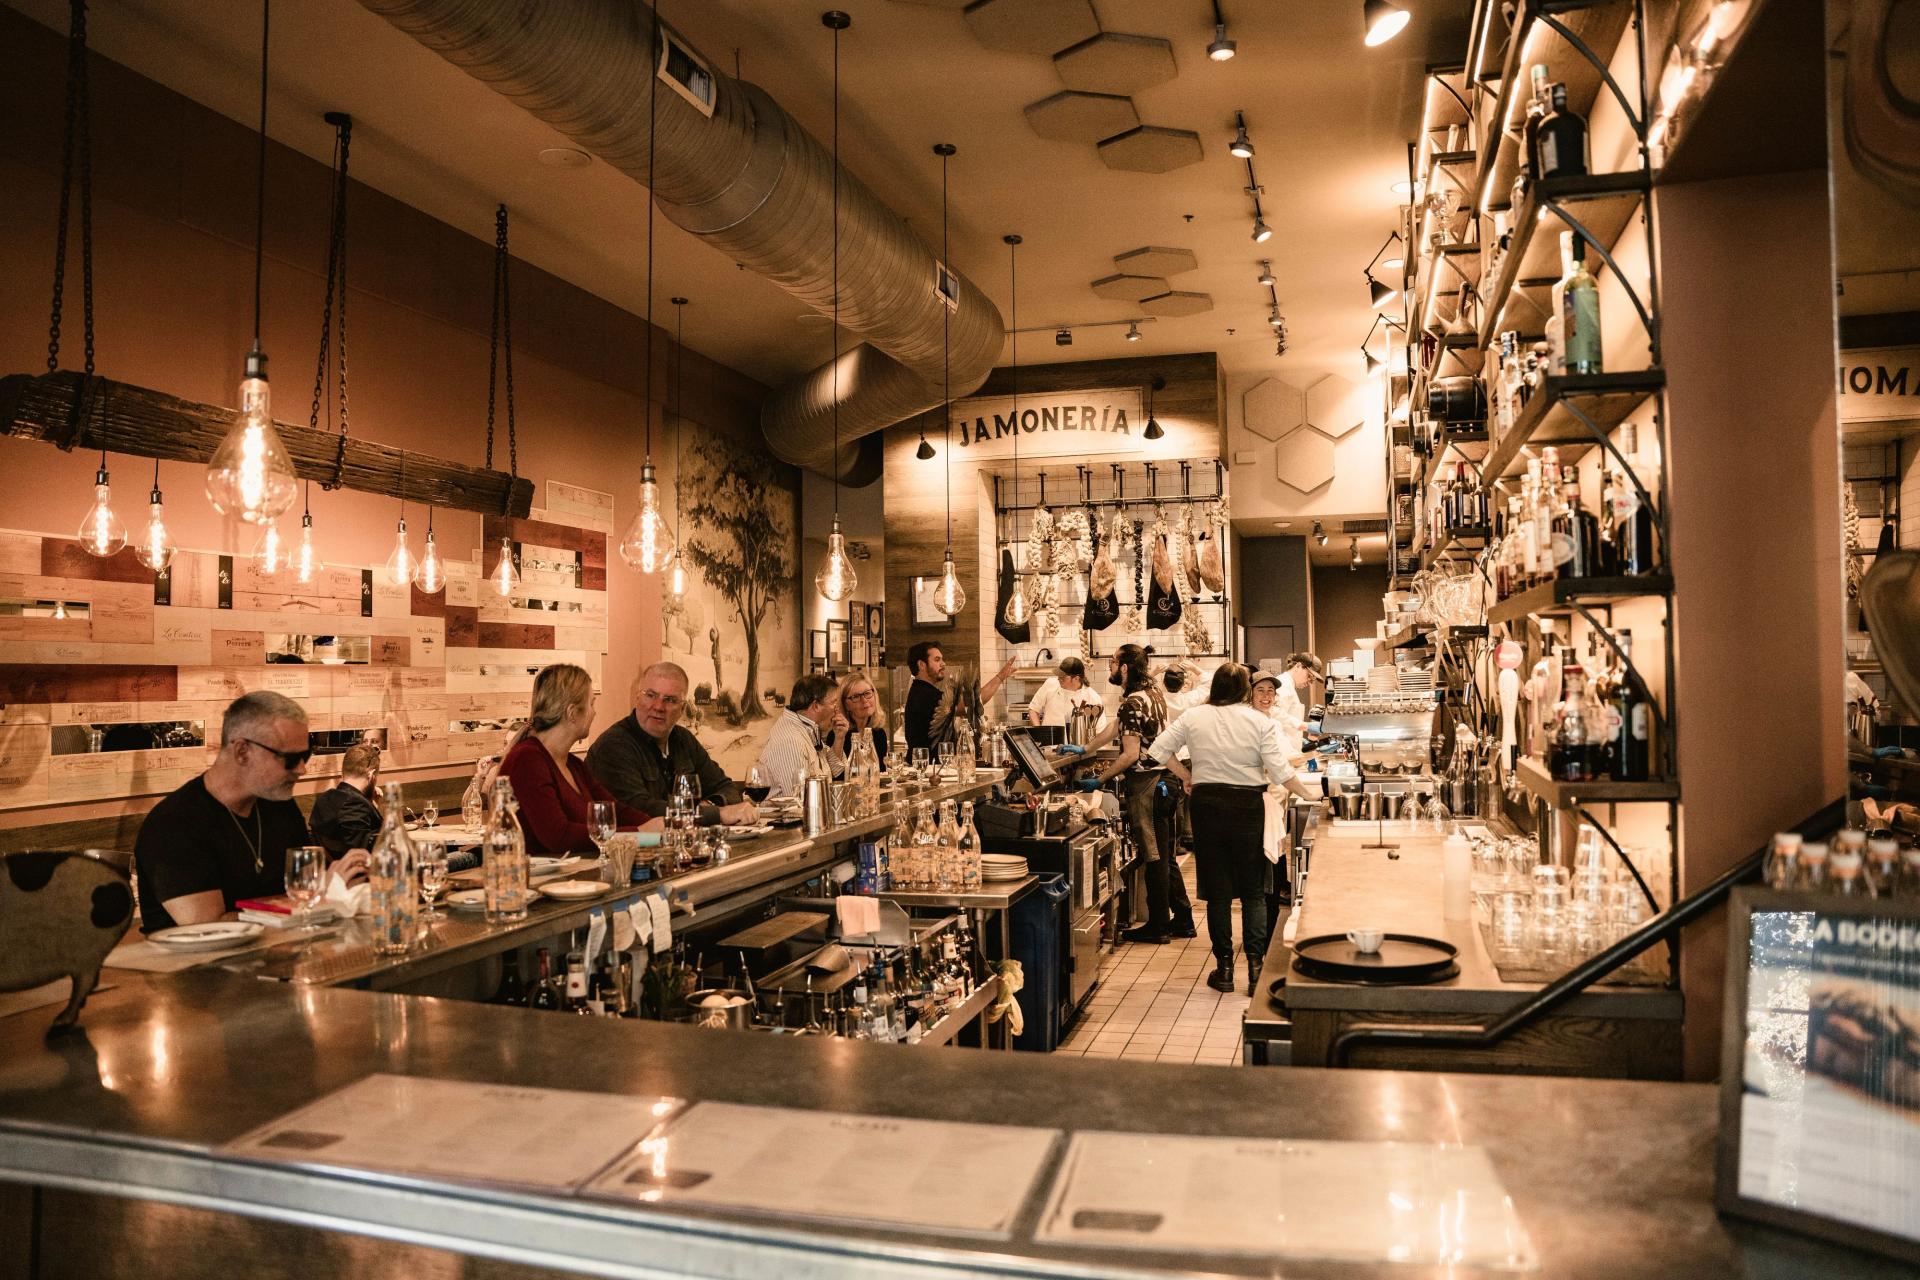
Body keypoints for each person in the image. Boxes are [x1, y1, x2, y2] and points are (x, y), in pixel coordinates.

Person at [1149, 663, 1323, 995]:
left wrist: (1187, 777)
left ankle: (1224, 969)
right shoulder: (1259, 721)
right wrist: (1311, 795)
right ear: (1245, 690)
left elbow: (1158, 750)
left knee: (1218, 892)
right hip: (1248, 806)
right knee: (1254, 891)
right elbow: (1281, 771)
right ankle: (1256, 969)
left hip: (1207, 804)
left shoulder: (1193, 717)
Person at [133, 691, 368, 932]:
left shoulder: (278, 805)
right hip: (193, 966)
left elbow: (306, 886)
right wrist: (321, 895)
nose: (302, 769)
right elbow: (209, 928)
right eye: (290, 758)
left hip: (278, 958)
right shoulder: (174, 824)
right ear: (242, 751)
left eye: (305, 755)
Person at [1081, 644, 1195, 944]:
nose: (1110, 668)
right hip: (1167, 781)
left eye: (1113, 663)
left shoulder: (1134, 701)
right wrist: (1085, 748)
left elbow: (1130, 754)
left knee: (1154, 856)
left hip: (1149, 785)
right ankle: (1183, 919)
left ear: (1125, 668)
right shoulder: (1151, 693)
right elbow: (1116, 727)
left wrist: (1100, 779)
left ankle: (1158, 927)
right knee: (1166, 854)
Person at [499, 664, 652, 856]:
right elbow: (558, 836)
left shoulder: (573, 764)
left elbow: (616, 811)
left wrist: (660, 825)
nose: (594, 712)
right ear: (572, 713)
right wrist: (640, 833)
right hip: (533, 881)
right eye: (591, 704)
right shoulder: (527, 760)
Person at [587, 662, 756, 826]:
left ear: (682, 709)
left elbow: (728, 789)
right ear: (637, 698)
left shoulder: (684, 740)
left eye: (670, 700)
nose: (659, 706)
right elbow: (640, 810)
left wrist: (706, 807)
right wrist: (716, 814)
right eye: (651, 695)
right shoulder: (613, 746)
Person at [903, 641, 1016, 755]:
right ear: (921, 665)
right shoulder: (924, 695)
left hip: (934, 766)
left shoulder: (925, 691)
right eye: (937, 660)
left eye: (942, 659)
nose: (943, 664)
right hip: (925, 767)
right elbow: (971, 703)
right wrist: (1000, 677)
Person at [757, 673, 847, 799]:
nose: (837, 710)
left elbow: (834, 770)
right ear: (816, 706)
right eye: (833, 703)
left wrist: (839, 738)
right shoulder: (791, 741)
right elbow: (800, 800)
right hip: (790, 817)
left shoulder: (806, 729)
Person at [309, 742, 383, 857]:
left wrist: (373, 805)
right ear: (371, 775)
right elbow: (364, 856)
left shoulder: (322, 800)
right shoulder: (355, 806)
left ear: (343, 773)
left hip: (331, 872)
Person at [1267, 652, 1324, 759]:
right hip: (1280, 752)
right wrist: (1305, 726)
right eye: (1309, 676)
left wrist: (1299, 740)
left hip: (1287, 749)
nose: (1310, 681)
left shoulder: (1289, 685)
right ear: (1298, 666)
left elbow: (1287, 718)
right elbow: (1275, 714)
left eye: (1313, 679)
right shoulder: (1283, 684)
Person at [829, 671, 891, 768]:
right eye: (856, 697)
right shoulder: (838, 734)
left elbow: (880, 774)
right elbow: (836, 775)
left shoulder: (879, 733)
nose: (864, 700)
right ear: (846, 705)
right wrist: (839, 739)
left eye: (867, 693)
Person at [1026, 656, 1106, 730]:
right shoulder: (1050, 684)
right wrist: (1040, 733)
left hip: (1077, 744)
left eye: (1062, 677)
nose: (1058, 679)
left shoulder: (1092, 697)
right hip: (1050, 743)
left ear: (1076, 678)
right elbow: (1033, 709)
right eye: (1058, 676)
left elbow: (1100, 728)